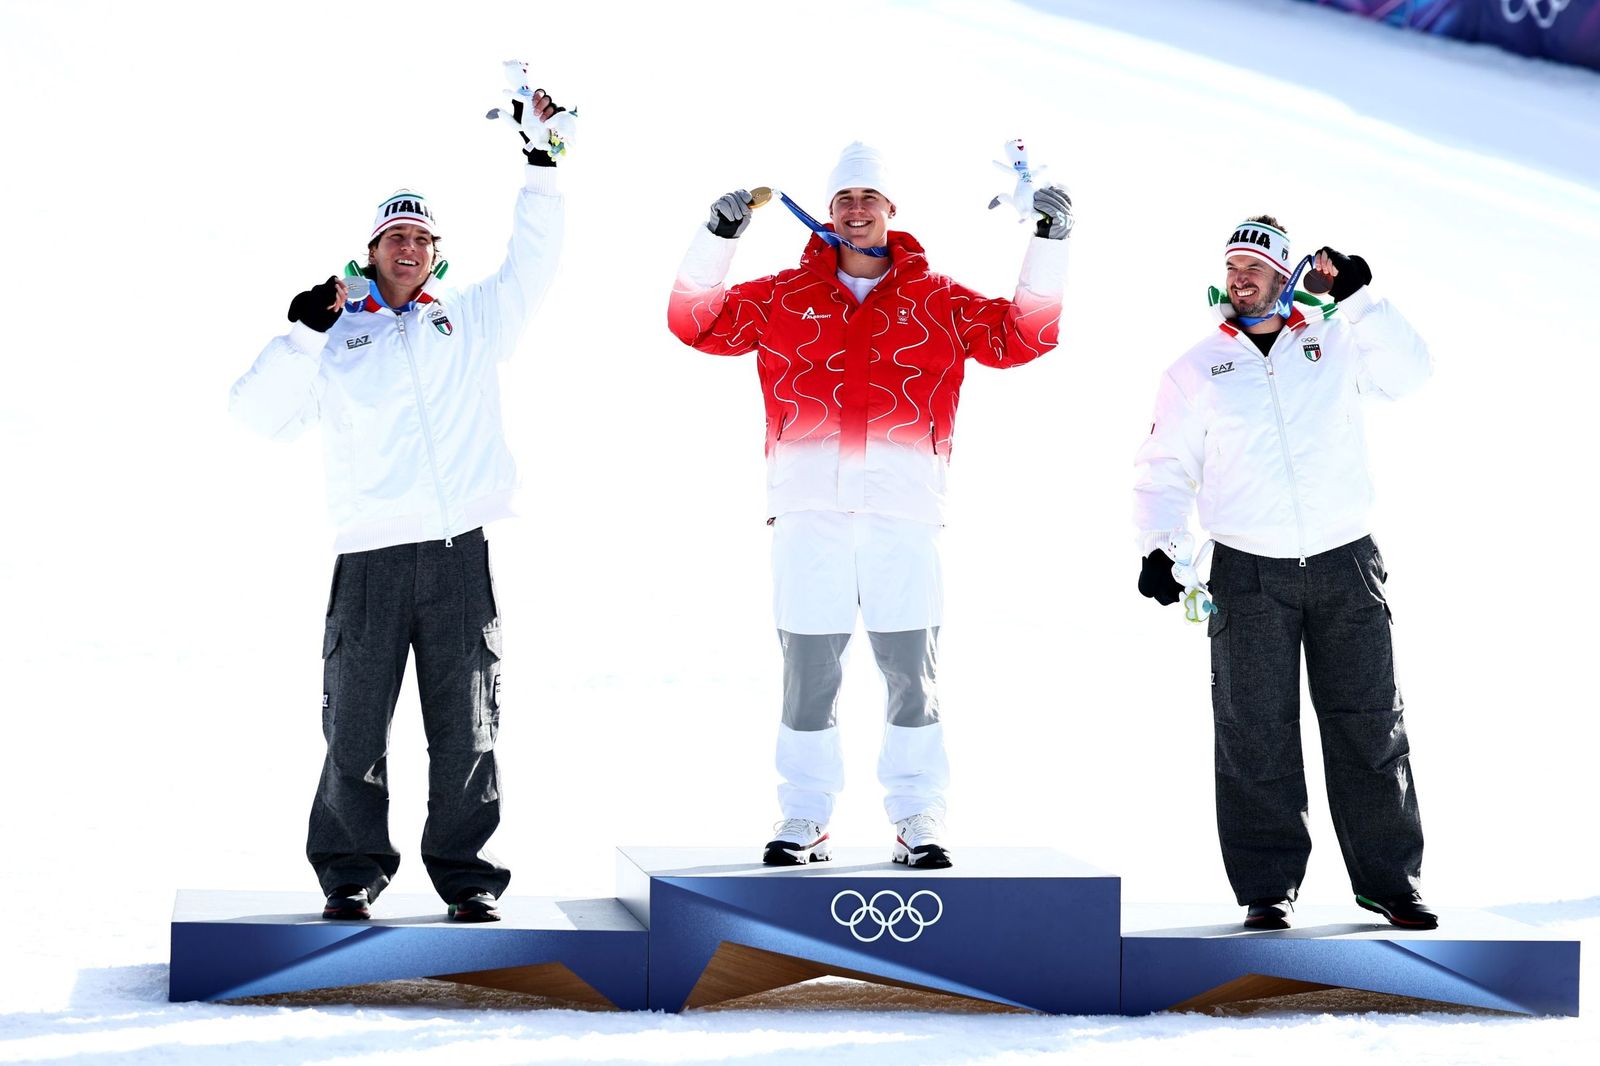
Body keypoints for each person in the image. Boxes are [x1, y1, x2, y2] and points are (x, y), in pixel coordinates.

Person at [667, 142, 1073, 868]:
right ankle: (804, 815)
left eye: (869, 198)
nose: (857, 209)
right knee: (810, 671)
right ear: (828, 214)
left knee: (910, 671)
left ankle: (919, 812)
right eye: (844, 199)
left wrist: (1052, 241)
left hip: (902, 510)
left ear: (891, 211)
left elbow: (1025, 335)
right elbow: (693, 322)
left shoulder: (938, 299)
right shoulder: (782, 298)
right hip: (808, 513)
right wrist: (716, 238)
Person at [229, 67, 572, 922]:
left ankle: (467, 880)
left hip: (460, 554)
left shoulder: (471, 319)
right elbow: (257, 417)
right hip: (372, 557)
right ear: (372, 250)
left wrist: (543, 163)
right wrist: (303, 337)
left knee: (468, 727)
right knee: (354, 728)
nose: (409, 248)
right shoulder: (337, 334)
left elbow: (537, 259)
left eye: (421, 236)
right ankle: (350, 874)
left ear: (436, 251)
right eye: (395, 236)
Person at [1133, 215, 1438, 930]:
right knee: (1254, 732)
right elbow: (1164, 467)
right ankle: (1267, 888)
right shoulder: (1196, 367)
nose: (1242, 277)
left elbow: (1412, 375)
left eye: (1256, 266)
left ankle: (1391, 882)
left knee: (1370, 724)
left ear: (1285, 273)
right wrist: (1158, 544)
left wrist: (1361, 300)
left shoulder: (1334, 339)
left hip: (1345, 559)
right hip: (1247, 570)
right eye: (1233, 266)